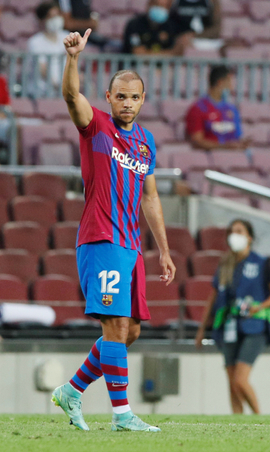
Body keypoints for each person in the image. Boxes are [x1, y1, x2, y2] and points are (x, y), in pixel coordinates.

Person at [51, 28, 175, 432]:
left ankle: (71, 391)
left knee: (131, 331)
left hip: (131, 245)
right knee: (115, 327)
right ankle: (122, 415)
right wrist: (73, 59)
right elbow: (72, 97)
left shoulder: (145, 143)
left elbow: (150, 197)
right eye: (120, 95)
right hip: (101, 238)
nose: (126, 102)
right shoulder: (96, 127)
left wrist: (164, 249)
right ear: (108, 98)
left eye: (134, 96)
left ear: (142, 100)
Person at [194, 219, 270, 414]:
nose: (234, 235)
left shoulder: (262, 264)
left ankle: (259, 417)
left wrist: (259, 307)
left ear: (249, 237)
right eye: (232, 231)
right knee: (231, 381)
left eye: (239, 231)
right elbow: (213, 297)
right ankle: (237, 420)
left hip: (255, 326)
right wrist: (202, 329)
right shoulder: (225, 264)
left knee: (240, 380)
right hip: (229, 326)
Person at [185, 65, 249, 151]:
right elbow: (197, 141)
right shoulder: (198, 109)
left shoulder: (232, 109)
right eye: (229, 82)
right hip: (208, 159)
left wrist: (242, 144)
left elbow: (237, 136)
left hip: (233, 158)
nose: (231, 87)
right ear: (220, 83)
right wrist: (224, 147)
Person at [27, 1, 69, 96]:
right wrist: (59, 85)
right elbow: (42, 69)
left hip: (63, 91)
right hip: (42, 92)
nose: (56, 19)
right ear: (42, 20)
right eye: (51, 16)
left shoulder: (67, 37)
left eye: (58, 15)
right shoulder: (35, 42)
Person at [122, 0, 192, 55]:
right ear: (149, 5)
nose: (160, 9)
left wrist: (150, 54)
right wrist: (167, 54)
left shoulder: (172, 26)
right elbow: (139, 54)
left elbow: (177, 52)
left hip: (164, 69)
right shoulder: (135, 24)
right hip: (135, 68)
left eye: (164, 6)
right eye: (157, 5)